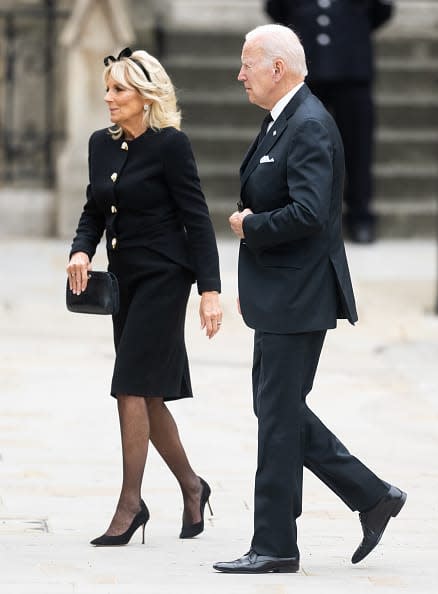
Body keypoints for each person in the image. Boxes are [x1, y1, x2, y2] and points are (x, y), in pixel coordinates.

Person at [213, 24, 405, 574]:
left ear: (278, 68)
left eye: (247, 63)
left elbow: (311, 213)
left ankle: (275, 545)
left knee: (276, 416)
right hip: (281, 293)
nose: (239, 74)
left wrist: (251, 225)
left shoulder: (310, 124)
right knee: (277, 411)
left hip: (299, 293)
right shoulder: (285, 121)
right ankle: (371, 496)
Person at [67, 47, 222, 546]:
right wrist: (80, 251)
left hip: (165, 278)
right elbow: (95, 209)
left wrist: (210, 291)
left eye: (119, 90)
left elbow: (197, 219)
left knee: (130, 386)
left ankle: (131, 504)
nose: (108, 98)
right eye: (108, 89)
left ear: (145, 96)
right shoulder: (101, 144)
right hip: (125, 280)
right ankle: (194, 487)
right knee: (148, 396)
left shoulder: (171, 146)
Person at [264, 0, 395, 243]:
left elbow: (382, 10)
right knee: (297, 147)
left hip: (353, 68)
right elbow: (276, 9)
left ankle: (360, 215)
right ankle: (296, 215)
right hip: (305, 68)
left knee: (358, 148)